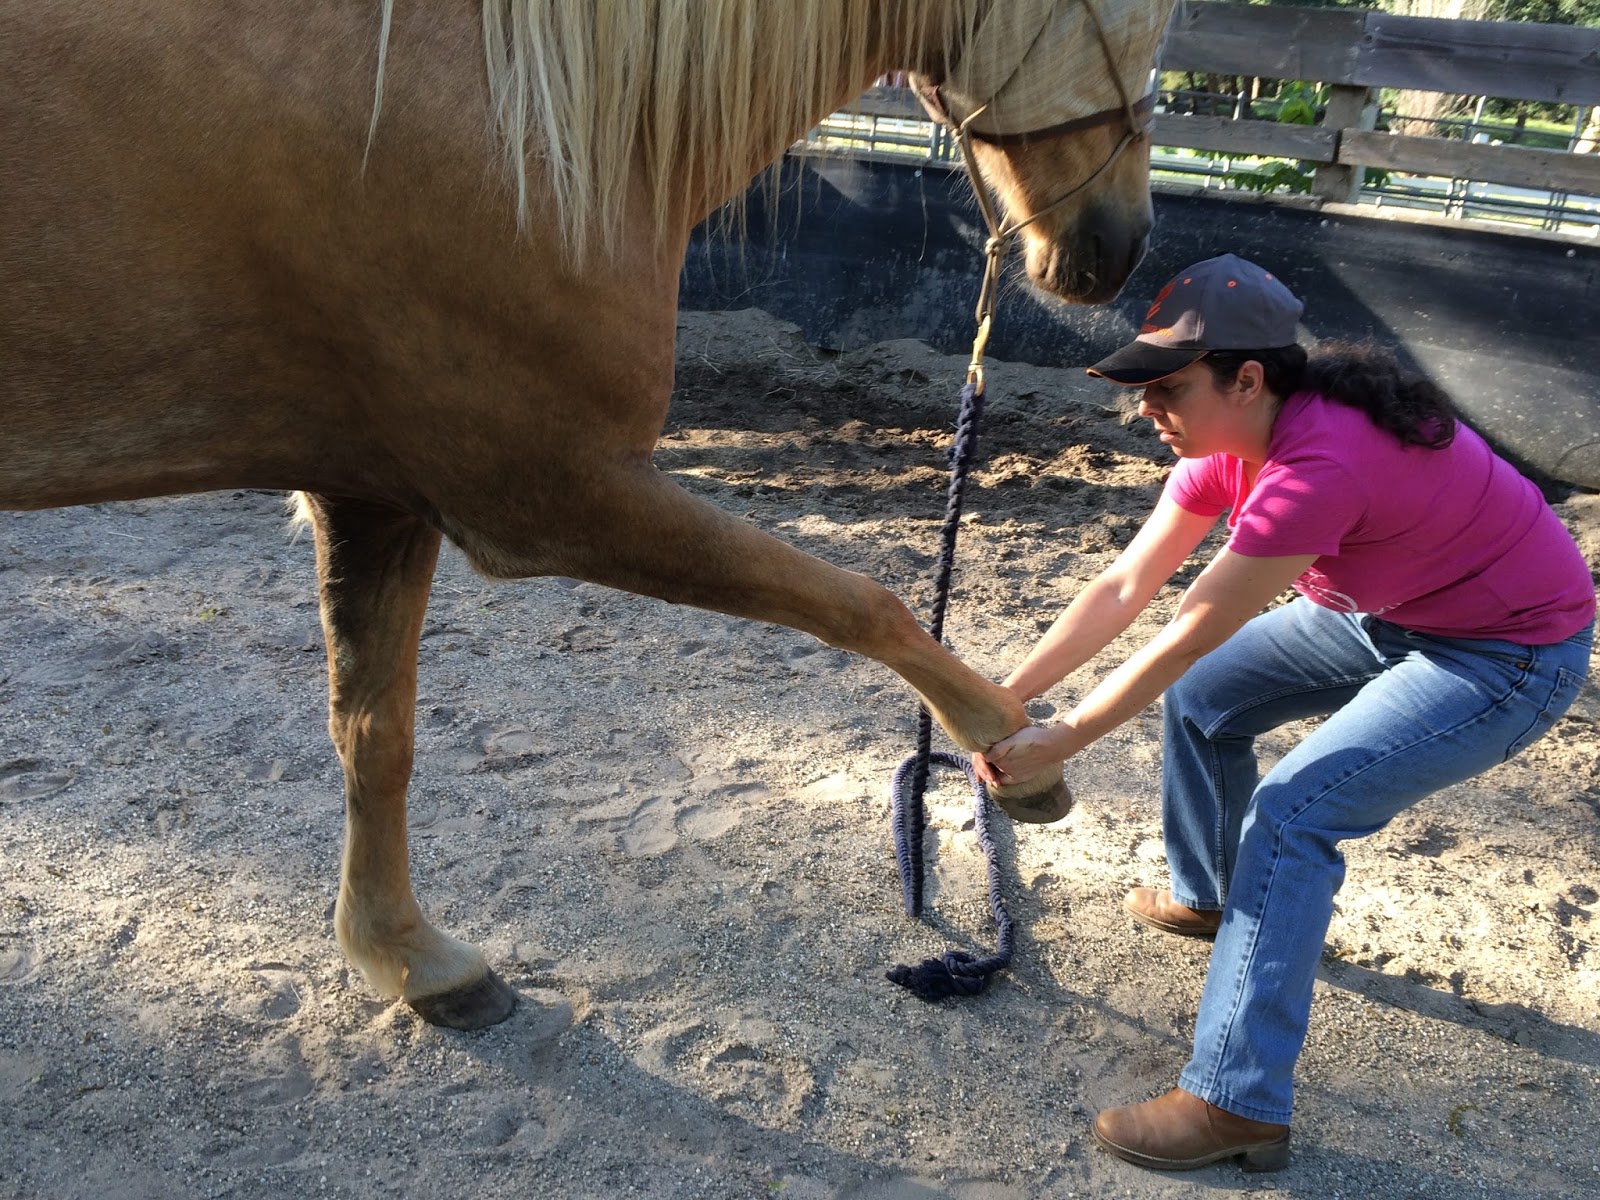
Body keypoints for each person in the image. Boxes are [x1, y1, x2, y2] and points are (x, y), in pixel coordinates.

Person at [972, 254, 1595, 1173]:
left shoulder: (1319, 464)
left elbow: (1184, 629)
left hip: (1506, 652)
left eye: (1169, 387)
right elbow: (1122, 585)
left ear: (1249, 378)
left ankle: (1238, 1103)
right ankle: (1211, 896)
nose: (1148, 408)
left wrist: (1063, 739)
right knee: (1207, 699)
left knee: (1295, 815)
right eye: (1144, 385)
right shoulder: (1224, 450)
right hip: (1388, 612)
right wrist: (1010, 696)